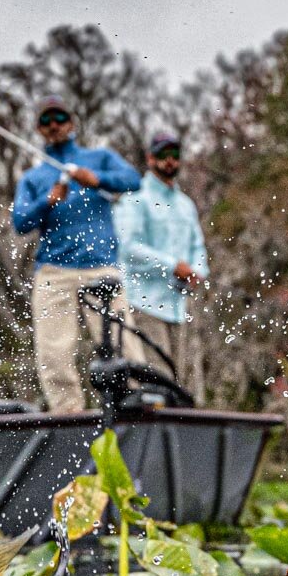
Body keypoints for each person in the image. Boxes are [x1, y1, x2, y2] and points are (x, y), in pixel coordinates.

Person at [11, 95, 143, 413]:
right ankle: (67, 417)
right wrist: (48, 201)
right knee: (54, 354)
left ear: (71, 124)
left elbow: (134, 180)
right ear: (39, 129)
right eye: (46, 120)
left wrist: (97, 179)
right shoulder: (34, 178)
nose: (53, 125)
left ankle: (136, 409)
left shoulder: (99, 158)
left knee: (125, 348)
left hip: (101, 268)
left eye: (59, 118)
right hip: (54, 272)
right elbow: (20, 222)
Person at [113, 131, 208, 400]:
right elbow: (129, 248)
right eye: (163, 154)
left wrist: (197, 271)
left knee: (180, 385)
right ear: (150, 158)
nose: (169, 161)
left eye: (174, 155)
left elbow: (197, 247)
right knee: (155, 384)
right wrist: (171, 266)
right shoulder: (135, 198)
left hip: (178, 308)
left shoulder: (186, 204)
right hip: (144, 305)